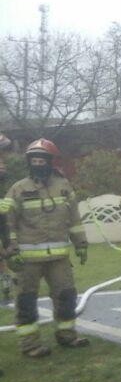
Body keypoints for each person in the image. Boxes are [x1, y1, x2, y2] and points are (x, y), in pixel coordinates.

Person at [0, 139, 89, 357]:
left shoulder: (64, 187)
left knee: (66, 296)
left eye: (42, 160)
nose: (38, 164)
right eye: (34, 160)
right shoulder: (18, 189)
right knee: (26, 301)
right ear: (29, 162)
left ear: (51, 162)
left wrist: (80, 244)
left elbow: (74, 218)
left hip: (59, 258)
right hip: (27, 259)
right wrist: (10, 251)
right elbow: (7, 221)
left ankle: (67, 336)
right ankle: (30, 345)